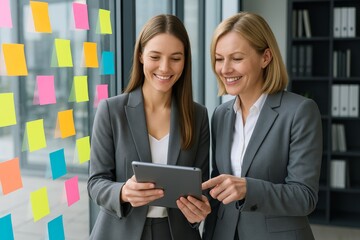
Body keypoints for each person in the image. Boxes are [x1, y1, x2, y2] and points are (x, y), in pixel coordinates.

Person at [88, 14, 211, 240]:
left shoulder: (198, 116)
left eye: (175, 58)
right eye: (155, 56)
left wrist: (200, 210)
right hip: (120, 232)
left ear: (185, 61)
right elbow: (96, 183)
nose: (165, 67)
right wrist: (123, 192)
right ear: (141, 56)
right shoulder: (111, 110)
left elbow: (200, 188)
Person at [202, 12, 322, 240]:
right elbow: (219, 187)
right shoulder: (221, 115)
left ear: (265, 57)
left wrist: (248, 188)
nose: (225, 69)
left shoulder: (300, 111)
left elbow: (305, 197)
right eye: (219, 58)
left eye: (236, 58)